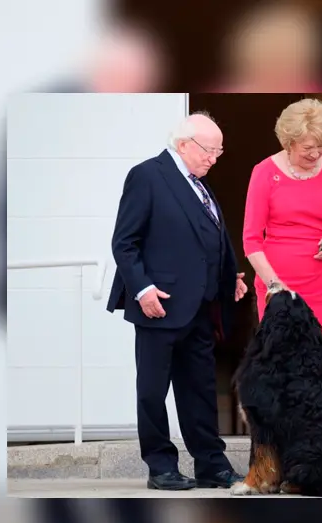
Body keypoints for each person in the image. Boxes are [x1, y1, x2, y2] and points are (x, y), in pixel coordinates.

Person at [107, 112, 247, 491]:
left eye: (219, 152)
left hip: (200, 307)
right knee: (153, 391)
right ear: (183, 143)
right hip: (159, 304)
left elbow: (207, 241)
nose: (214, 159)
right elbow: (125, 242)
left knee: (199, 390)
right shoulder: (148, 176)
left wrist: (226, 278)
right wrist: (142, 289)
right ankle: (160, 466)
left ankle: (211, 464)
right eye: (210, 150)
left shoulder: (200, 185)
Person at [243, 98, 322, 380]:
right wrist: (275, 288)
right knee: (284, 366)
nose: (316, 154)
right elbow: (251, 241)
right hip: (280, 286)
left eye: (321, 145)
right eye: (307, 148)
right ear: (289, 142)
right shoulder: (264, 172)